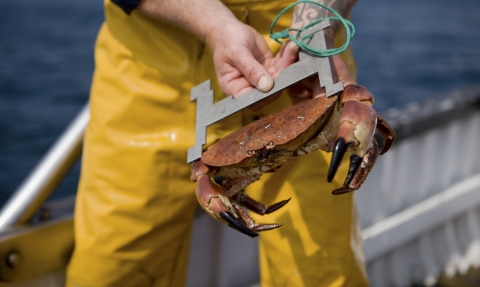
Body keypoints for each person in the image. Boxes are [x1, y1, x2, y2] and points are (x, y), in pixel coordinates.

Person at [66, 0, 368, 286]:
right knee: (111, 270)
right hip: (147, 77)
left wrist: (314, 30)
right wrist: (215, 25)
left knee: (324, 274)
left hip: (297, 73)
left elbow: (359, 103)